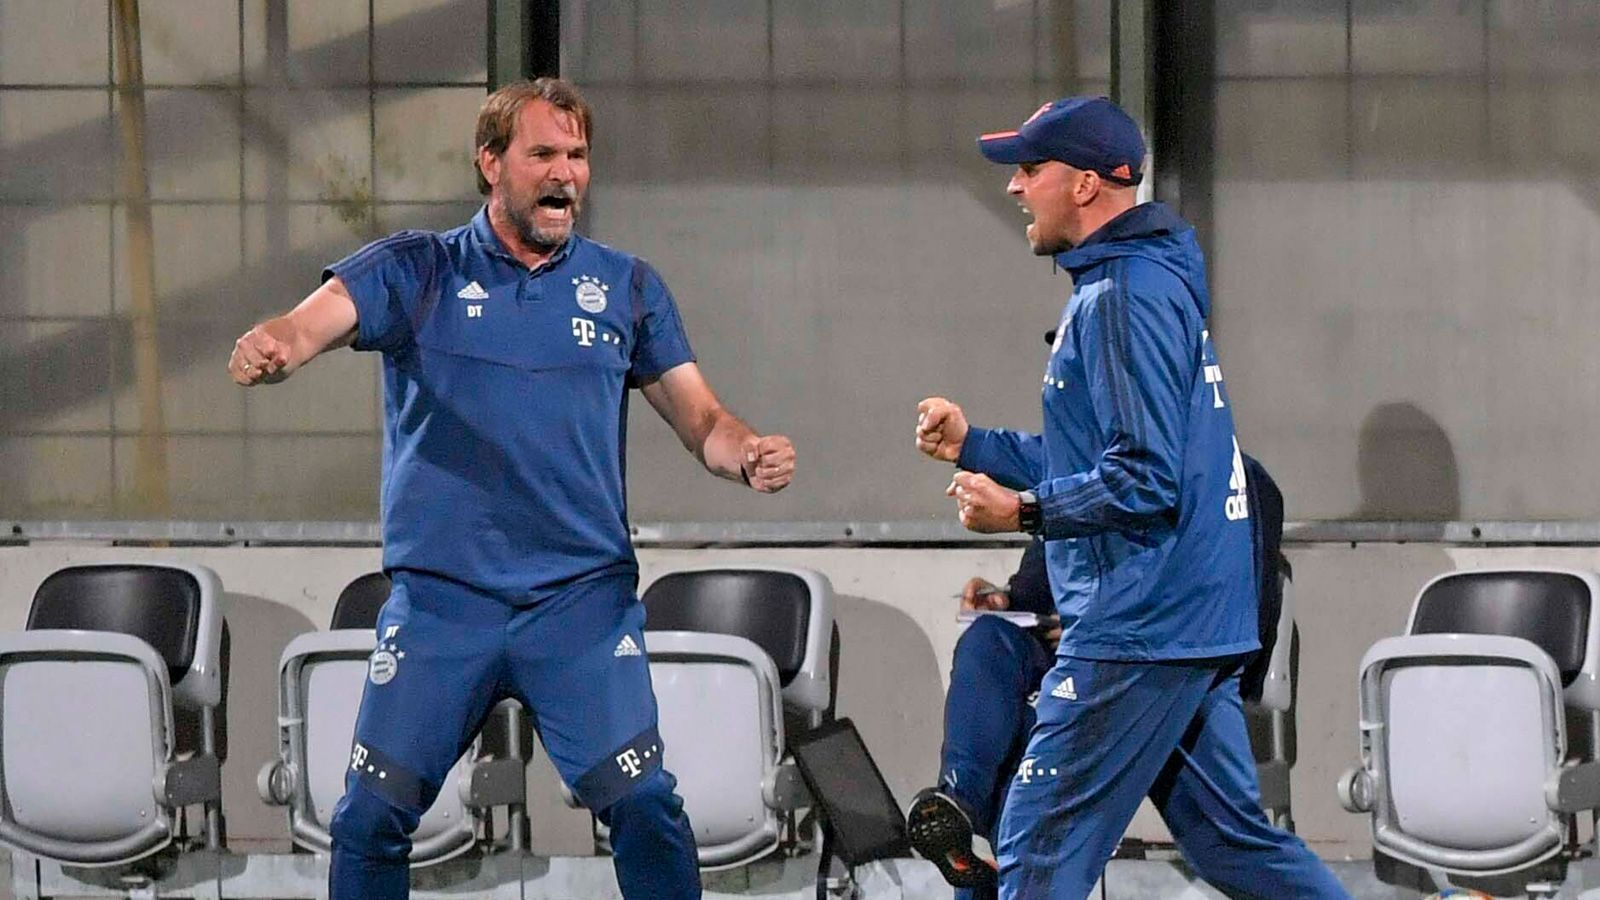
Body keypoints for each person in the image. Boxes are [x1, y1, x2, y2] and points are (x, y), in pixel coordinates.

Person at [228, 77, 795, 900]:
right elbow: (312, 320)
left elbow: (703, 421)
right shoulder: (416, 269)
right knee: (367, 819)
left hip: (580, 607)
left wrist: (746, 453)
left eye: (577, 155)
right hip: (443, 605)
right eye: (543, 154)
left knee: (644, 804)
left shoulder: (628, 287)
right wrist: (274, 344)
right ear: (491, 162)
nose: (565, 172)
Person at [910, 96, 1346, 899]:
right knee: (1236, 846)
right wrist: (975, 444)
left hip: (1138, 625)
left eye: (1029, 169)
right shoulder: (1142, 282)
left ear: (1082, 185)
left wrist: (1022, 514)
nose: (1014, 188)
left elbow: (1144, 478)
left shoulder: (1122, 298)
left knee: (1035, 847)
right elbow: (1091, 453)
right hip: (1192, 620)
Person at [911, 540, 1056, 899]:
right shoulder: (1070, 489)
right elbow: (1036, 587)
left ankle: (964, 823)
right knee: (986, 637)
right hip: (1053, 657)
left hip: (1131, 658)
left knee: (1019, 766)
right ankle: (959, 802)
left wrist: (1106, 629)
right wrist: (1005, 601)